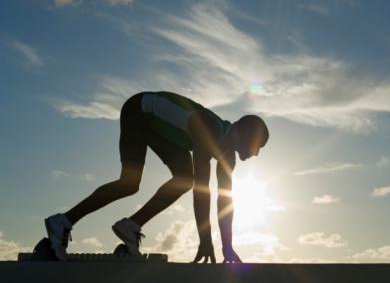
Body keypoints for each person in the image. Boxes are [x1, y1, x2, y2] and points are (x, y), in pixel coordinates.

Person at [44, 91, 269, 263]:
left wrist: (227, 247)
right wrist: (206, 242)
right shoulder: (209, 129)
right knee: (130, 183)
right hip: (139, 110)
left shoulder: (229, 157)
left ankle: (130, 226)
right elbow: (202, 191)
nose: (257, 153)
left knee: (183, 180)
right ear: (246, 134)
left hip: (163, 130)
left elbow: (225, 201)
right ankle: (62, 221)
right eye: (258, 146)